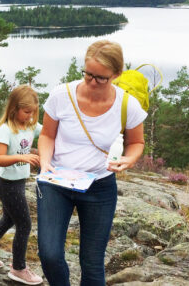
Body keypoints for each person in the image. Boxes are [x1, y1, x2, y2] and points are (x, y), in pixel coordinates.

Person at [37, 40, 147, 286]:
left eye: (101, 78)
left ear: (116, 75)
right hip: (56, 181)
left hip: (99, 186)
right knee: (50, 254)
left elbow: (136, 143)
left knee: (92, 262)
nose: (92, 82)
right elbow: (47, 135)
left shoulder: (128, 104)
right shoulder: (61, 95)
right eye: (88, 74)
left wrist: (128, 160)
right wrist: (45, 163)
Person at [0, 85, 44, 285]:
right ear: (14, 108)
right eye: (27, 112)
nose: (30, 116)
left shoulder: (30, 125)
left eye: (33, 112)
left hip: (18, 182)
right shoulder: (6, 130)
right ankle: (19, 268)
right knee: (24, 224)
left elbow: (47, 132)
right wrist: (25, 156)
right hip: (7, 185)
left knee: (8, 219)